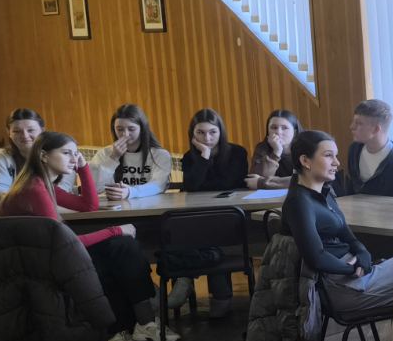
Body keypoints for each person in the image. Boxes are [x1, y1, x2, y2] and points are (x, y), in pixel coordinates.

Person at [0, 130, 177, 341]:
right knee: (115, 251)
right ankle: (128, 328)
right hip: (29, 265)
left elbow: (88, 206)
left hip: (44, 256)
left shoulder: (44, 184)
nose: (74, 158)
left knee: (122, 247)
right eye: (66, 153)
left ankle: (139, 325)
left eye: (76, 153)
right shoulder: (35, 189)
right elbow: (64, 244)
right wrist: (114, 230)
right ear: (43, 156)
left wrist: (83, 168)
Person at [284, 130, 393, 315]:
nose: (337, 163)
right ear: (305, 161)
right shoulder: (298, 202)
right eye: (328, 155)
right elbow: (316, 257)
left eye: (336, 156)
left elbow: (349, 237)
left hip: (354, 277)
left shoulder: (325, 193)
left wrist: (362, 253)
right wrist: (352, 268)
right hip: (342, 288)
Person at [166, 109, 251, 320]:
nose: (207, 138)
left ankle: (189, 279)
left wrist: (205, 182)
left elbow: (230, 182)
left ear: (221, 132)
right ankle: (214, 292)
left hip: (230, 215)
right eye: (201, 133)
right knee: (189, 227)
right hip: (201, 214)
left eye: (213, 132)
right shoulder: (189, 157)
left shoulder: (237, 153)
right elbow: (192, 187)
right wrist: (204, 157)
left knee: (211, 232)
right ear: (192, 134)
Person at [0, 106, 75, 203]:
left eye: (31, 130)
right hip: (16, 208)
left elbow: (64, 188)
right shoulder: (2, 155)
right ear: (9, 133)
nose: (25, 136)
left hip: (56, 208)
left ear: (42, 130)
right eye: (16, 131)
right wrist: (23, 202)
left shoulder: (62, 153)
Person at [336, 99, 393, 199]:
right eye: (353, 122)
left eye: (359, 123)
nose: (351, 127)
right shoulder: (354, 150)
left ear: (376, 129)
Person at [89, 104, 173, 200]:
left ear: (142, 129)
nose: (125, 134)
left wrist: (130, 192)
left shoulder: (160, 154)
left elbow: (158, 185)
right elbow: (95, 188)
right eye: (120, 129)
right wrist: (113, 158)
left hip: (149, 206)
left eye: (131, 129)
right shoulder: (104, 153)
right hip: (115, 206)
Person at [247, 109, 300, 189]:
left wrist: (263, 182)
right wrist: (276, 152)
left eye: (284, 128)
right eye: (274, 127)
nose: (278, 132)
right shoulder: (262, 148)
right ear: (268, 131)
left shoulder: (307, 147)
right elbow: (253, 181)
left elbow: (308, 180)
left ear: (295, 132)